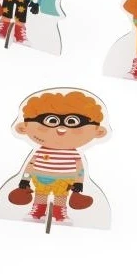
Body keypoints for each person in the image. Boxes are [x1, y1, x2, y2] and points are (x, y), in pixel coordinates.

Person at [12, 91, 108, 222]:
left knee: (61, 197)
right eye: (50, 120)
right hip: (41, 178)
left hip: (64, 180)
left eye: (73, 121)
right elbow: (31, 165)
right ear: (23, 127)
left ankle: (59, 214)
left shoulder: (74, 153)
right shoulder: (40, 151)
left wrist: (79, 182)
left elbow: (79, 169)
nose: (61, 128)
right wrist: (25, 179)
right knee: (40, 195)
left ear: (99, 131)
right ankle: (37, 212)